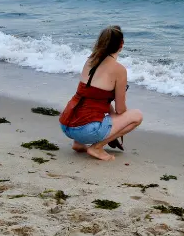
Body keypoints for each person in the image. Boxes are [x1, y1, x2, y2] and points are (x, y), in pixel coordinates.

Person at [59, 25, 143, 161]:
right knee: (137, 116)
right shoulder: (119, 70)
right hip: (85, 129)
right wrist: (114, 131)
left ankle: (78, 143)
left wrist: (112, 126)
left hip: (67, 124)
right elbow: (121, 110)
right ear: (121, 44)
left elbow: (93, 96)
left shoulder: (90, 60)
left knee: (88, 104)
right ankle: (96, 147)